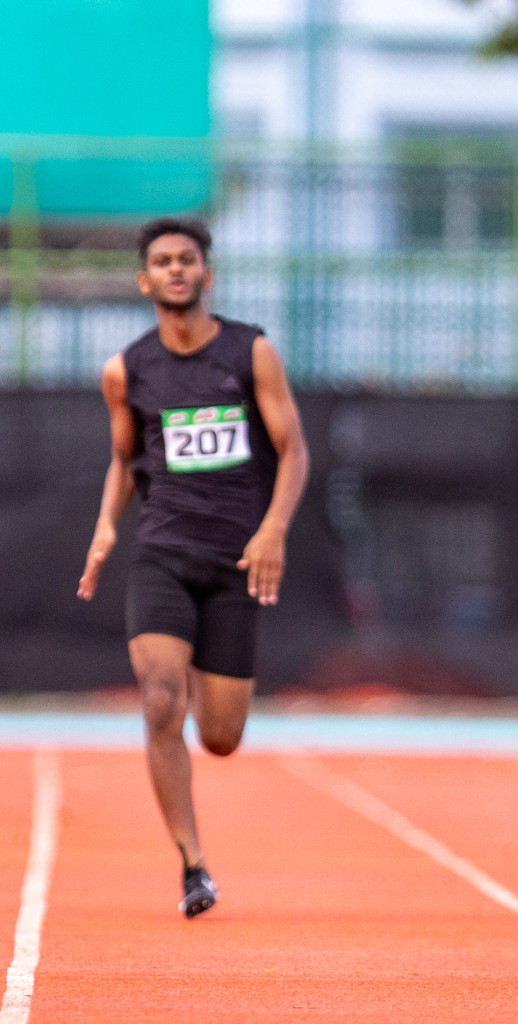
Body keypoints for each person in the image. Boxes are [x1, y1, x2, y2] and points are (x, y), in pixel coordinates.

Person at [77, 218, 310, 918]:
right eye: (161, 261)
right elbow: (125, 458)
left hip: (236, 559)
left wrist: (273, 530)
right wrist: (104, 528)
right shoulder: (126, 370)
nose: (175, 270)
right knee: (158, 700)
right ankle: (192, 865)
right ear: (144, 280)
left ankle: (197, 830)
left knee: (220, 736)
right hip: (162, 555)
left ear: (206, 274)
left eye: (187, 259)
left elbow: (294, 450)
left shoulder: (251, 351)